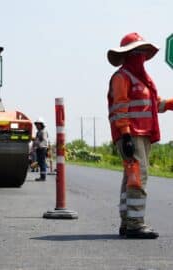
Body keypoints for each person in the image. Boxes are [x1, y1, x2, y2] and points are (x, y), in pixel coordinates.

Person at [107, 32, 173, 239]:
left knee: (131, 177)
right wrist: (125, 135)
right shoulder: (121, 77)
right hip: (131, 135)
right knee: (138, 177)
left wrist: (170, 104)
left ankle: (127, 222)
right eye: (137, 52)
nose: (140, 56)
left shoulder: (144, 81)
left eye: (142, 52)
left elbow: (155, 106)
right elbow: (120, 107)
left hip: (143, 135)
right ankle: (135, 224)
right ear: (128, 55)